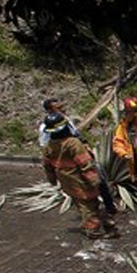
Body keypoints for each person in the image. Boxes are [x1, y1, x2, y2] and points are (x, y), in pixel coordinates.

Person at [41, 102, 120, 240]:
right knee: (89, 206)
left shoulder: (50, 146)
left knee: (81, 203)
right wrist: (95, 181)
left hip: (67, 181)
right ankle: (94, 230)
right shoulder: (73, 144)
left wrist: (52, 180)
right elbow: (85, 163)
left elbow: (47, 165)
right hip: (81, 180)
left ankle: (104, 223)